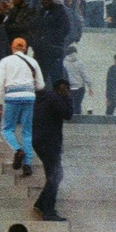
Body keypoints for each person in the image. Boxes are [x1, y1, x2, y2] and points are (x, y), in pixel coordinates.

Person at [0, 37, 44, 175]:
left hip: (12, 97)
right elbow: (41, 85)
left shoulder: (5, 61)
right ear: (25, 48)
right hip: (29, 97)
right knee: (27, 132)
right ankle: (27, 165)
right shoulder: (33, 62)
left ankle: (18, 150)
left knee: (7, 129)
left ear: (12, 48)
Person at [30, 79, 72, 222]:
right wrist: (67, 97)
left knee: (55, 175)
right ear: (63, 89)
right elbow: (68, 114)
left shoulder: (43, 98)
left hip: (40, 141)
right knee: (56, 175)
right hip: (49, 142)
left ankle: (41, 204)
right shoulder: (55, 98)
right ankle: (48, 211)